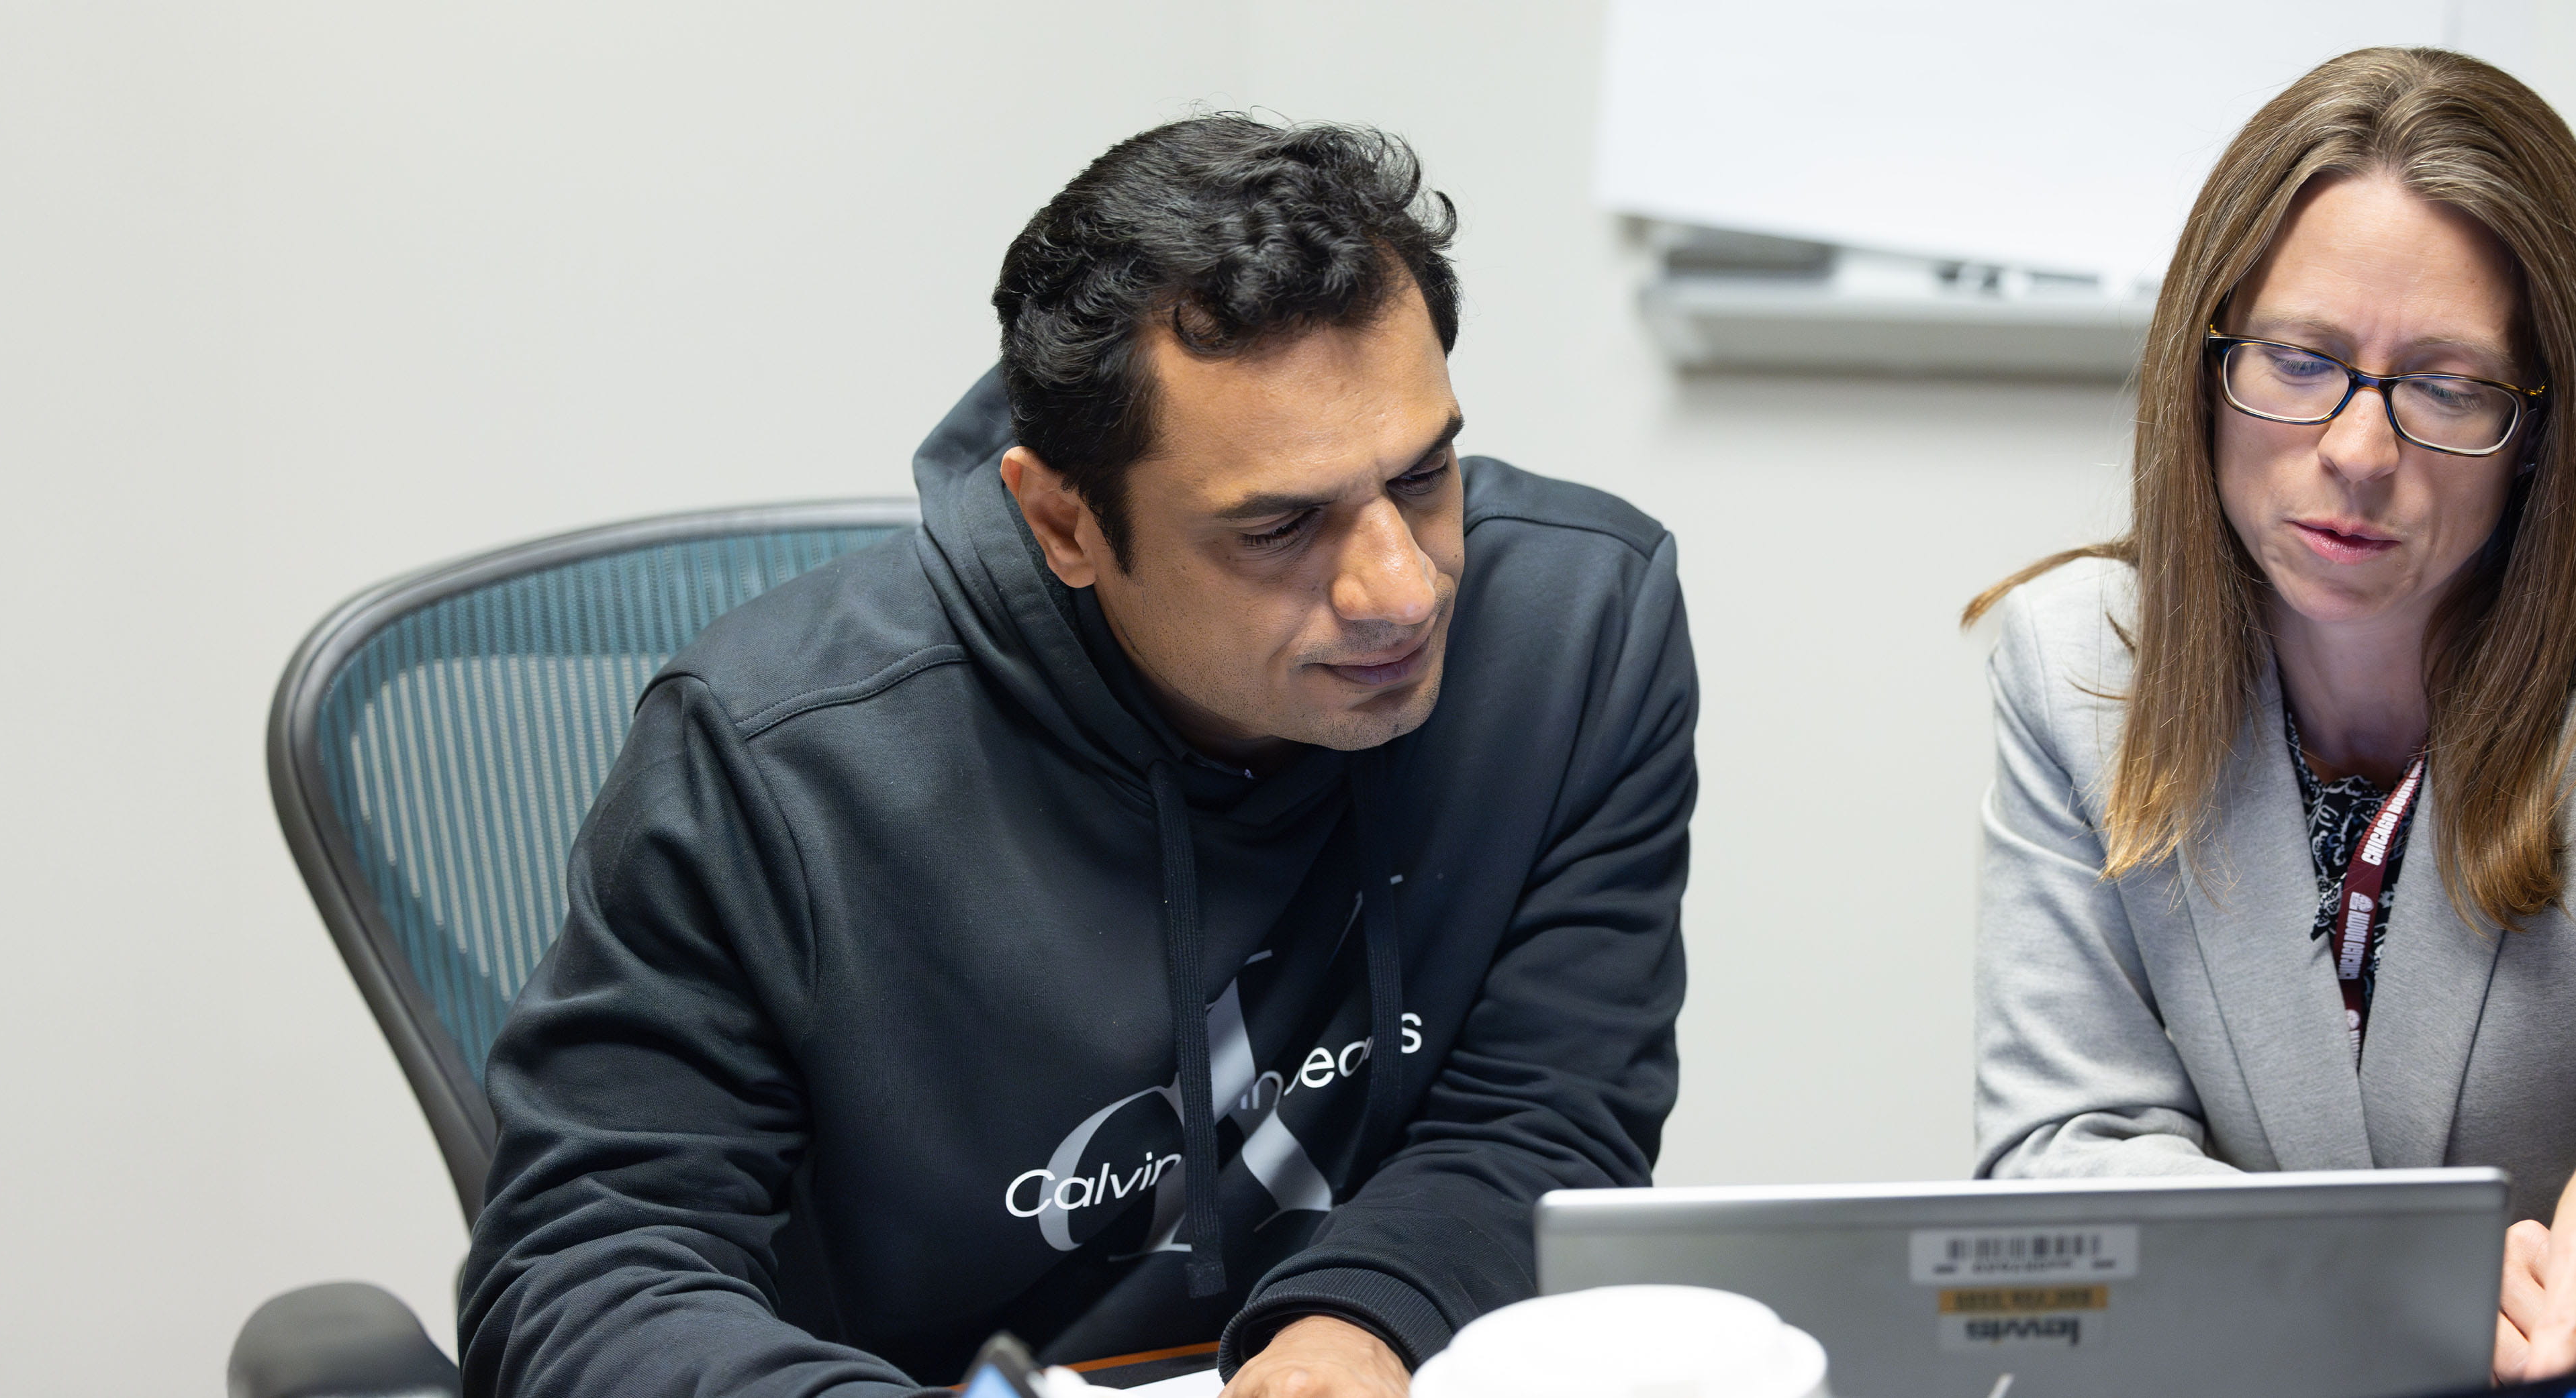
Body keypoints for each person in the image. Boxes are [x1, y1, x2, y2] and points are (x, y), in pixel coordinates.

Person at [457, 115, 1696, 1398]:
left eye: (1425, 472)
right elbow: (589, 1270)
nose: (1400, 592)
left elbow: (1542, 1111)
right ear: (1064, 520)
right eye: (1279, 527)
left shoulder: (1580, 635)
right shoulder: (772, 758)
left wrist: (1358, 1333)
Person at [1967, 46, 2576, 1383]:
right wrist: (2365, 1289)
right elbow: (2063, 1157)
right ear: (2205, 367)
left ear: (2537, 426)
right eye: (2300, 360)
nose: (2357, 452)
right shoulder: (2076, 669)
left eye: (2447, 386)